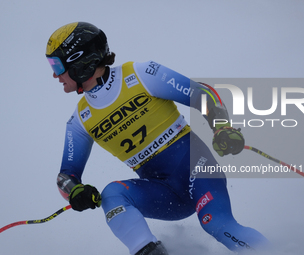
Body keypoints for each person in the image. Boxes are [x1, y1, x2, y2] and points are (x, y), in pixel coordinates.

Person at [46, 22, 269, 255]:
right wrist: (75, 192)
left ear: (80, 60)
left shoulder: (140, 74)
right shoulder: (80, 119)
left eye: (57, 64)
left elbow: (201, 94)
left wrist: (222, 127)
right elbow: (65, 176)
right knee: (112, 194)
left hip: (195, 167)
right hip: (164, 193)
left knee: (217, 224)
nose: (54, 74)